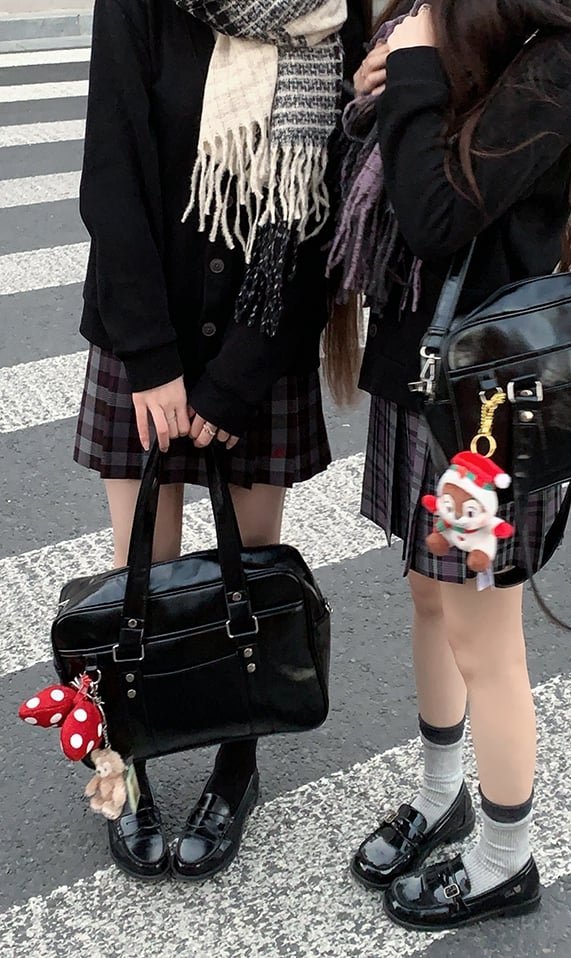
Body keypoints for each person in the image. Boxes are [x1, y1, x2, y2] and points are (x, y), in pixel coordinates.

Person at [328, 0, 571, 931]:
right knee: (429, 599)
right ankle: (441, 797)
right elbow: (380, 186)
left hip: (492, 404)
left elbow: (438, 216)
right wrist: (368, 96)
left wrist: (412, 70)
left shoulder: (560, 53)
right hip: (418, 369)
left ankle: (507, 858)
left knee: (485, 638)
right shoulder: (429, 22)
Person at [74, 0, 364, 880]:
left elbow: (323, 209)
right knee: (142, 569)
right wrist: (153, 361)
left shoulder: (332, 14)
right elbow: (111, 172)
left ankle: (239, 756)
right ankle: (130, 756)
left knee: (250, 571)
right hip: (146, 336)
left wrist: (239, 375)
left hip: (260, 342)